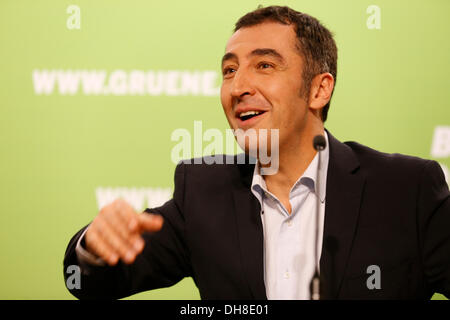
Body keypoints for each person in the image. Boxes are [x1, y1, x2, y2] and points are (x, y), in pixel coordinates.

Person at [63, 6, 450, 300]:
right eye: (229, 71)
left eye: (264, 65)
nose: (238, 87)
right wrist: (94, 249)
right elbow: (86, 283)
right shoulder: (202, 191)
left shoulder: (406, 190)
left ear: (319, 90)